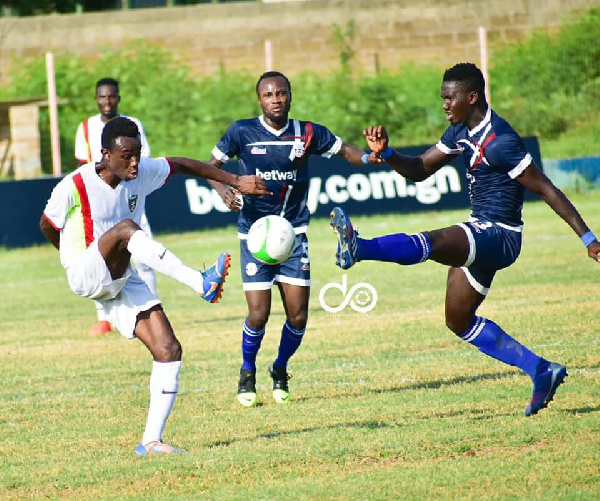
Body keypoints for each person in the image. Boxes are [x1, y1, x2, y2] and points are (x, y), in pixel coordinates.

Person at [330, 62, 600, 417]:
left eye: (449, 98)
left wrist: (589, 240)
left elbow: (547, 189)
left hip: (500, 235)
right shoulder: (460, 132)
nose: (444, 104)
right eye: (442, 97)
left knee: (435, 240)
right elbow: (421, 169)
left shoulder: (500, 142)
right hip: (482, 230)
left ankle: (360, 247)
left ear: (471, 97)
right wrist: (389, 153)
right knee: (458, 320)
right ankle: (541, 370)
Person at [40, 116, 270, 455]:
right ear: (105, 154)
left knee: (168, 349)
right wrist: (73, 258)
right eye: (126, 156)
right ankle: (199, 281)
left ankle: (151, 441)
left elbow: (181, 164)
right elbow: (47, 224)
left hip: (120, 276)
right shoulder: (74, 185)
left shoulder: (140, 172)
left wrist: (234, 180)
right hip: (87, 272)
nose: (134, 163)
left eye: (138, 154)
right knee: (127, 228)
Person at [207, 71, 375, 407]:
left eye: (281, 93)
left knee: (298, 316)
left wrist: (372, 157)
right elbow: (210, 165)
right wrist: (224, 187)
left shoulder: (308, 132)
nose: (276, 100)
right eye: (268, 95)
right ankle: (247, 371)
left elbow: (346, 152)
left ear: (290, 95)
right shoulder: (241, 131)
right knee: (258, 315)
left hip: (294, 234)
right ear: (260, 100)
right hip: (255, 235)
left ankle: (280, 368)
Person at [75, 77, 156, 337]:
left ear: (118, 98)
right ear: (96, 99)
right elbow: (82, 167)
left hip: (131, 199)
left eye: (111, 96)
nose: (107, 101)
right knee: (100, 260)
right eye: (102, 97)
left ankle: (153, 310)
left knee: (145, 257)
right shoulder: (85, 127)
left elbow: (143, 161)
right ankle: (104, 319)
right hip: (100, 204)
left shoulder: (134, 125)